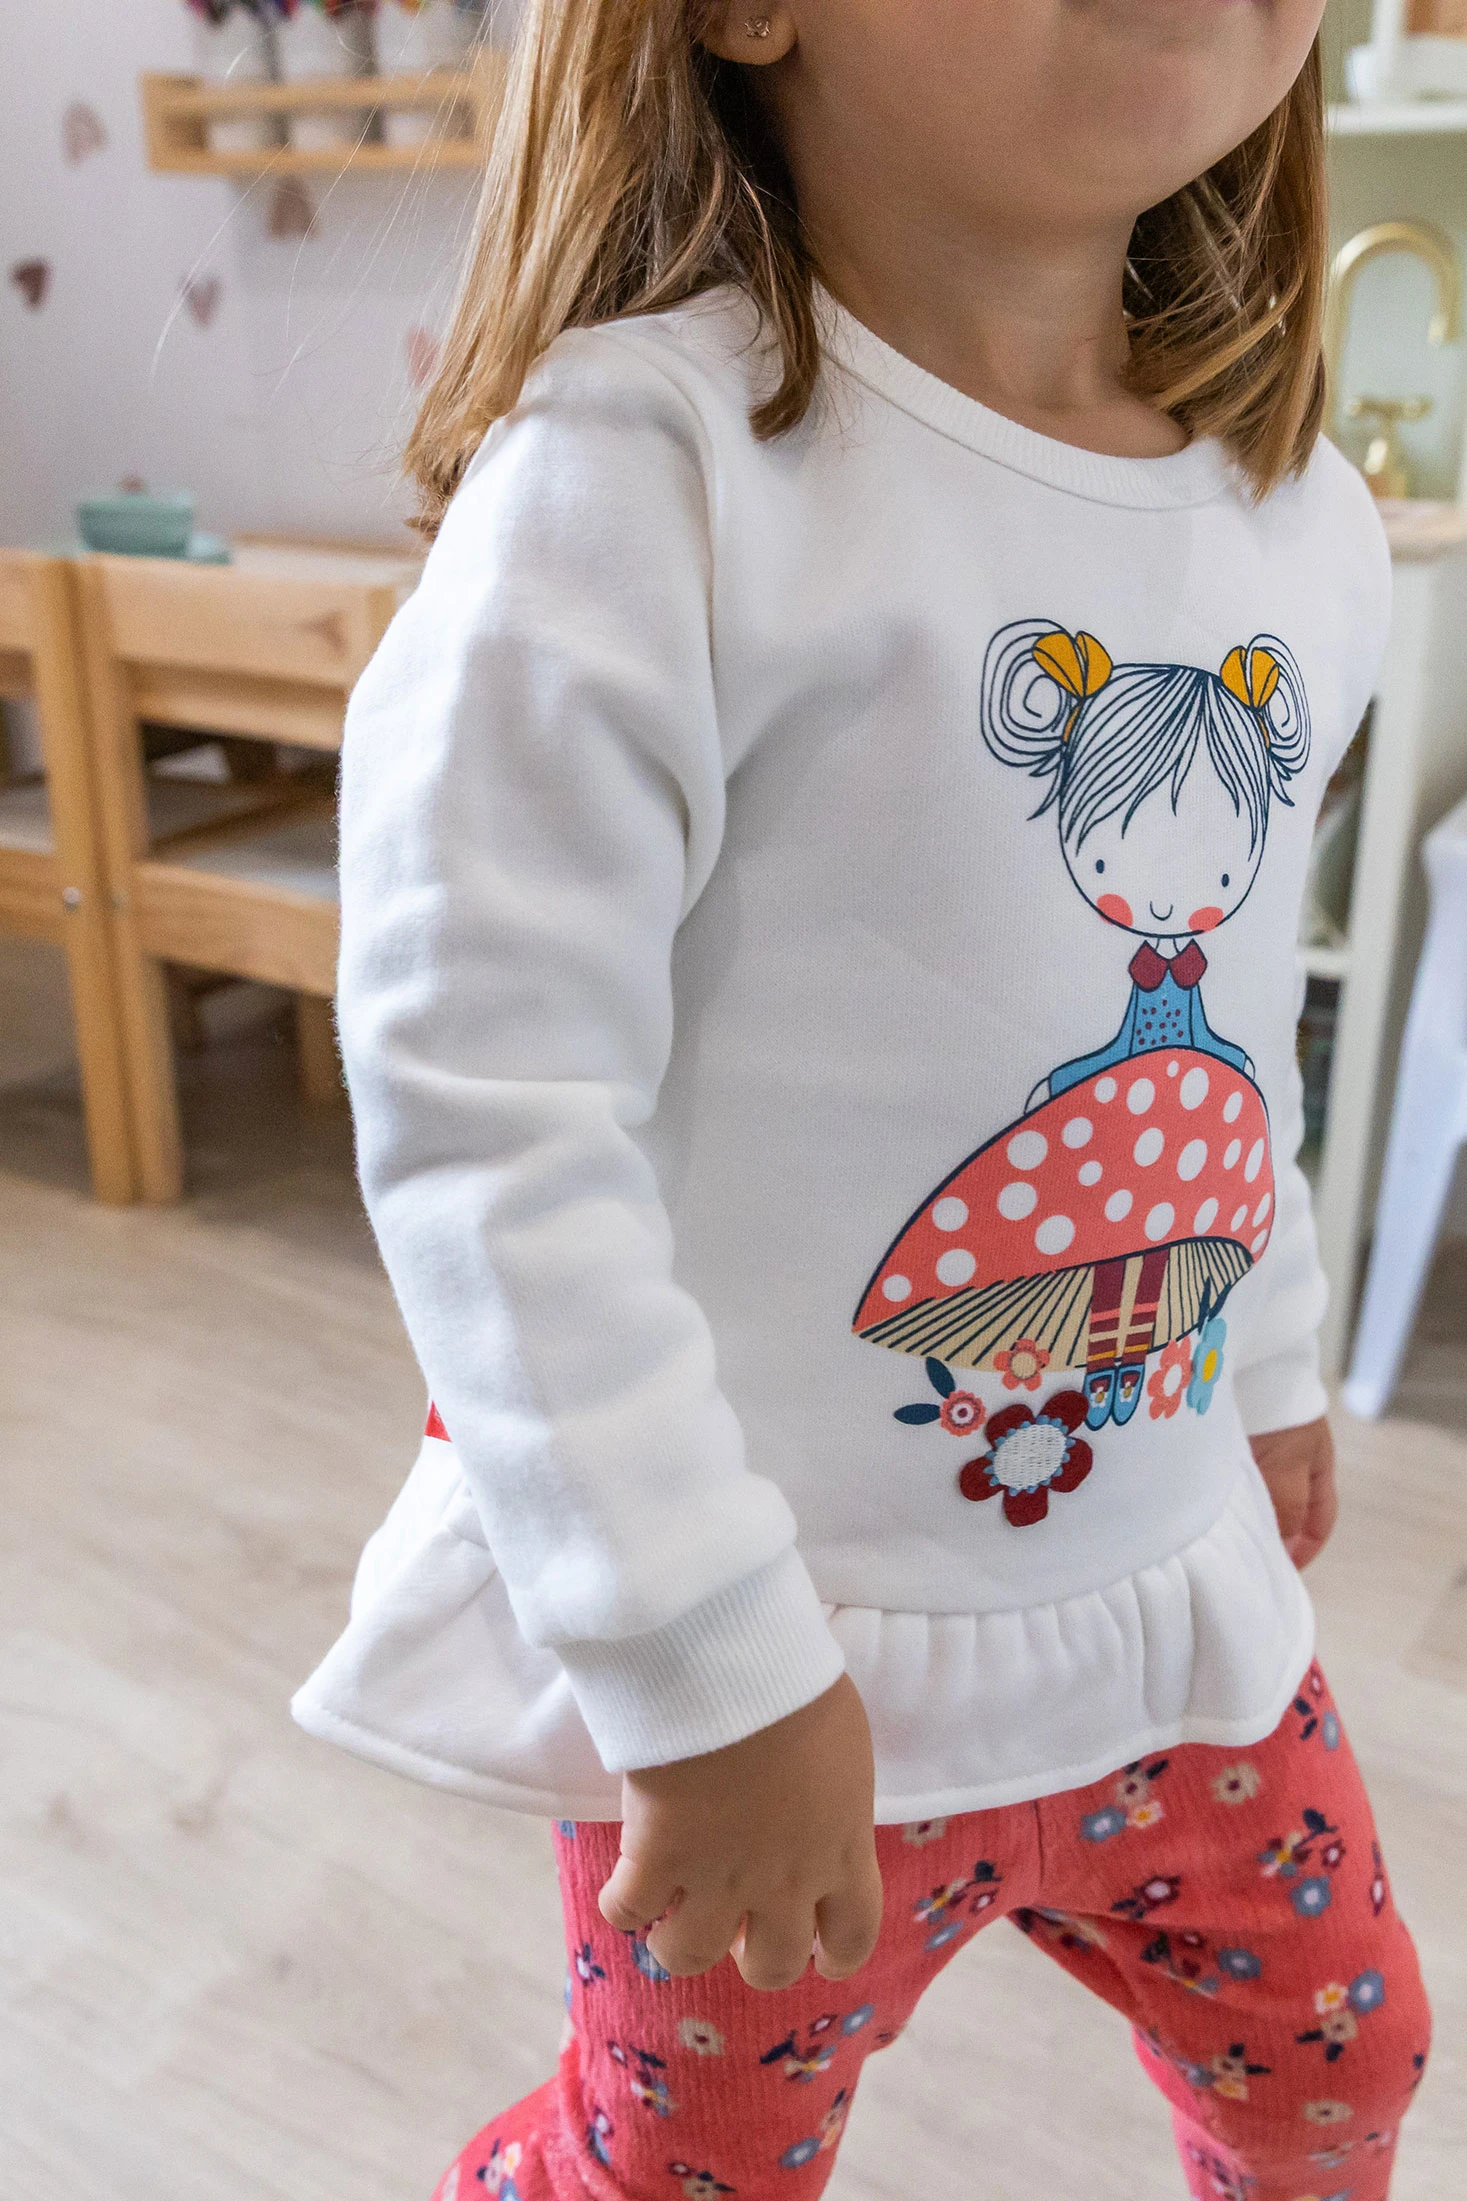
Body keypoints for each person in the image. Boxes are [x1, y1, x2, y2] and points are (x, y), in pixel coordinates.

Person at [291, 6, 1431, 2197]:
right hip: (783, 1670)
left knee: (1338, 2067)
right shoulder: (641, 480)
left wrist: (1272, 1355)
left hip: (1177, 1621)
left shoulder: (1296, 516)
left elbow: (1220, 1038)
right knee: (683, 2165)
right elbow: (486, 1111)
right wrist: (701, 1664)